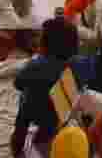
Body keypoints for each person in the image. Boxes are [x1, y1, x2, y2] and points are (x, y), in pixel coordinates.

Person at [10, 17, 92, 156]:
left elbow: (17, 83)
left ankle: (18, 145)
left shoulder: (36, 66)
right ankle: (46, 136)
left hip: (36, 111)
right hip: (62, 112)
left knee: (24, 105)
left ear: (46, 43)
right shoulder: (81, 64)